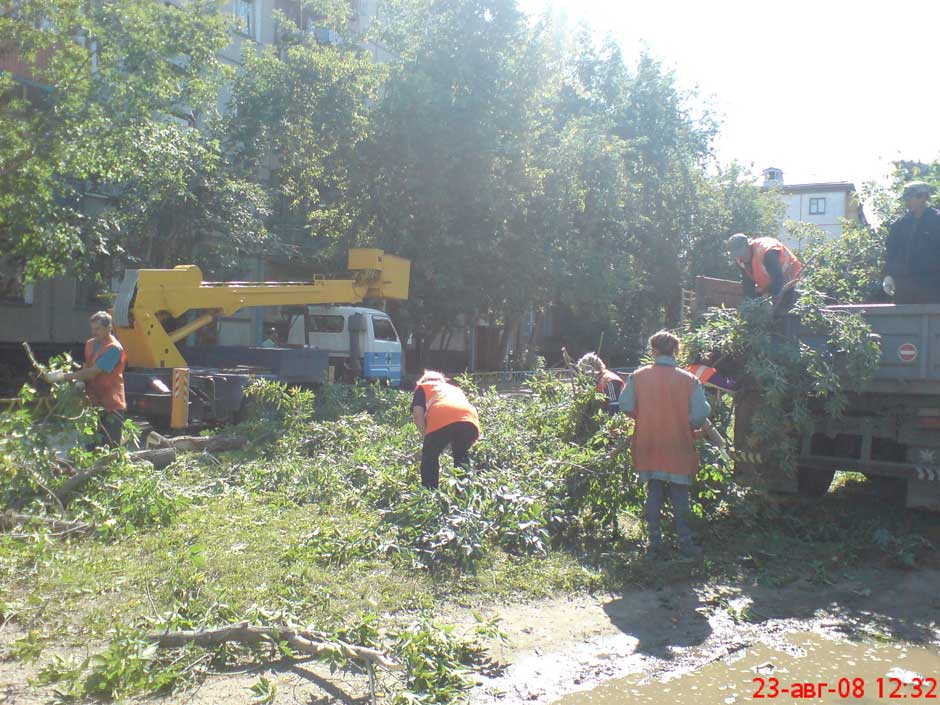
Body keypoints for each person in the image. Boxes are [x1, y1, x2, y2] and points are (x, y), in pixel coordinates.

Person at [618, 331, 711, 558]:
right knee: (680, 495)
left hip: (648, 442)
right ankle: (685, 543)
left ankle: (654, 542)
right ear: (675, 351)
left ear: (654, 350)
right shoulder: (689, 380)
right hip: (678, 443)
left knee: (654, 492)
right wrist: (686, 423)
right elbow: (701, 413)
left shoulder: (638, 376)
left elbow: (625, 404)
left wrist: (642, 415)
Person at [44, 311, 127, 447]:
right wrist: (80, 381)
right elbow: (86, 366)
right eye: (92, 328)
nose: (94, 332)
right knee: (91, 446)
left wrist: (62, 377)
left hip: (111, 404)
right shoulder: (90, 344)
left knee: (110, 447)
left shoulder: (114, 349)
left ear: (109, 328)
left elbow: (92, 373)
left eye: (98, 329)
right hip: (93, 402)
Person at [411, 371, 481, 489]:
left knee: (430, 457)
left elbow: (418, 415)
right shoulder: (454, 389)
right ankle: (464, 491)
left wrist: (427, 436)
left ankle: (429, 492)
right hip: (469, 419)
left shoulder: (422, 387)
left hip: (443, 415)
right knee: (461, 455)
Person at [884, 181, 940, 304]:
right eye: (906, 199)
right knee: (905, 322)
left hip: (933, 286)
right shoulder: (899, 224)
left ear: (923, 197)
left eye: (910, 198)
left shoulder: (937, 220)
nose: (907, 202)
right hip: (905, 287)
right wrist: (889, 275)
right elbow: (891, 252)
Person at [727, 233, 803, 310]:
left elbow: (777, 277)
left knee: (783, 309)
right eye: (737, 255)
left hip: (789, 275)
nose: (740, 257)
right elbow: (748, 284)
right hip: (770, 280)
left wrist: (774, 300)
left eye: (742, 254)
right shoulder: (740, 260)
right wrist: (749, 305)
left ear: (748, 247)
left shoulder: (767, 252)